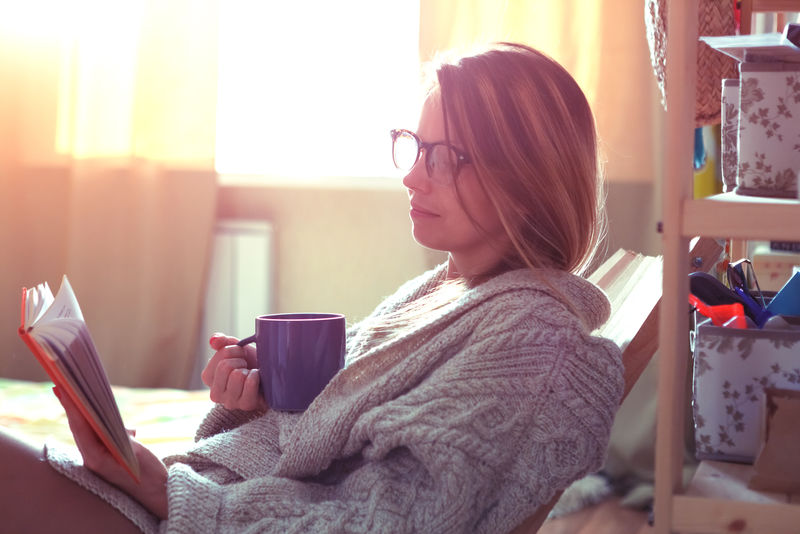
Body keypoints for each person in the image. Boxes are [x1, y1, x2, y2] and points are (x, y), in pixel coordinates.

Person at [0, 42, 624, 533]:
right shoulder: (444, 293)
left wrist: (164, 492)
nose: (411, 177)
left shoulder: (536, 343)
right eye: (413, 147)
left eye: (442, 156)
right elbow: (330, 441)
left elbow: (396, 521)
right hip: (202, 506)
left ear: (525, 175)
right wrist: (260, 398)